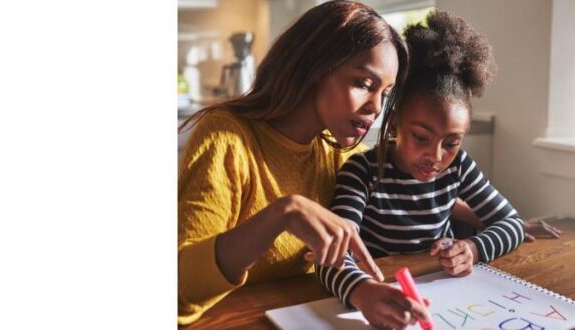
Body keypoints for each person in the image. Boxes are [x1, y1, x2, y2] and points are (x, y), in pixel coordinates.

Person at [176, 1, 418, 325]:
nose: (375, 107)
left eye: (385, 94)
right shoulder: (227, 137)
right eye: (363, 83)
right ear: (314, 68)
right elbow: (179, 290)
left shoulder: (337, 154)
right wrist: (282, 213)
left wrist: (361, 291)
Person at [315, 11, 527, 329]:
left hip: (446, 298)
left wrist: (473, 248)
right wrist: (361, 290)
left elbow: (512, 224)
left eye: (451, 142)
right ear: (397, 120)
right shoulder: (362, 171)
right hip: (381, 295)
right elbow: (332, 254)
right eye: (421, 137)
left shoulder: (458, 168)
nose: (435, 156)